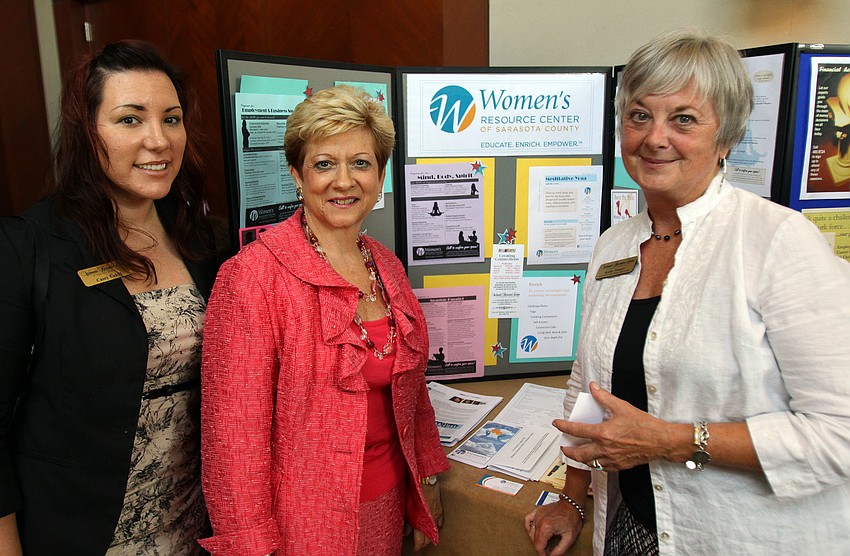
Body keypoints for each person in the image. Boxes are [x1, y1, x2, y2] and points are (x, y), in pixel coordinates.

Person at [525, 30, 850, 556]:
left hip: (739, 537)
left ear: (727, 138)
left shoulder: (778, 243)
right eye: (638, 116)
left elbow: (841, 434)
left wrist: (673, 441)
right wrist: (575, 496)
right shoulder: (614, 245)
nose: (655, 137)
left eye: (683, 119)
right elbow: (590, 386)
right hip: (631, 526)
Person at [200, 85, 449, 555]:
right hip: (302, 526)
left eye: (360, 162)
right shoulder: (252, 278)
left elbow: (413, 396)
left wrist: (427, 483)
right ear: (296, 174)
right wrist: (253, 548)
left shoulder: (386, 266)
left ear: (379, 174)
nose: (344, 181)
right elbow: (232, 443)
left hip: (389, 503)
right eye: (323, 164)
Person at [0, 40, 226, 554]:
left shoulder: (204, 241)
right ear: (87, 131)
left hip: (196, 529)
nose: (158, 141)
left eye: (171, 119)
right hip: (83, 532)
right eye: (130, 120)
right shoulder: (27, 248)